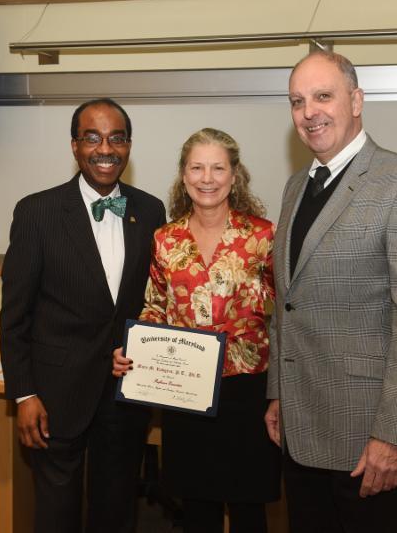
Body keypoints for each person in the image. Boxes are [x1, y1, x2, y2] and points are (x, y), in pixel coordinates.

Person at [264, 50, 397, 533]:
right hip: (302, 434)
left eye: (323, 96)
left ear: (357, 99)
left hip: (371, 443)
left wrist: (395, 436)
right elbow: (287, 302)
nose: (310, 112)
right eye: (297, 101)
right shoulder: (294, 188)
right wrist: (277, 394)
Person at [0, 98, 166, 533]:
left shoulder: (151, 211)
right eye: (92, 137)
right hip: (56, 392)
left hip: (124, 389)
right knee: (57, 511)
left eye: (116, 138)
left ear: (129, 146)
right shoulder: (37, 212)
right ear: (74, 146)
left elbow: (154, 301)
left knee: (116, 509)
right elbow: (15, 316)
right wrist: (23, 394)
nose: (104, 148)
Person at [115, 128, 281, 533]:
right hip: (185, 390)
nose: (207, 178)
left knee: (248, 508)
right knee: (197, 507)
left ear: (234, 175)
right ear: (183, 175)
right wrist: (133, 352)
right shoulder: (165, 240)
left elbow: (287, 311)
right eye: (197, 167)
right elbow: (154, 306)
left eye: (218, 168)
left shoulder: (262, 236)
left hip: (248, 390)